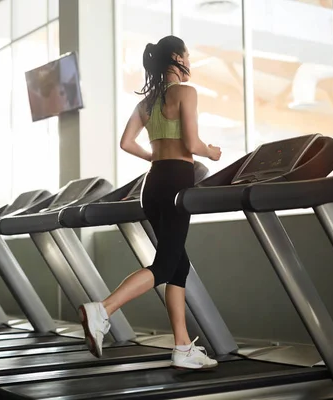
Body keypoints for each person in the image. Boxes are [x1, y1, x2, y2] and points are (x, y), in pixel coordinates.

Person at [78, 35, 222, 370]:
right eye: (187, 55)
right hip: (176, 181)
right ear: (176, 57)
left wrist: (155, 156)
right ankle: (103, 310)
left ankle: (183, 348)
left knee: (177, 266)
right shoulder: (186, 93)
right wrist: (210, 152)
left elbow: (126, 143)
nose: (190, 61)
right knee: (164, 265)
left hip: (153, 182)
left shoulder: (147, 102)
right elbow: (191, 141)